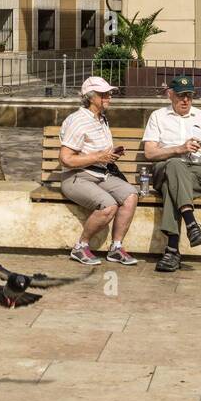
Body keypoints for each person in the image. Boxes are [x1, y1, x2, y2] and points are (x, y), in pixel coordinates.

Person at [143, 75, 201, 274]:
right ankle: (191, 223)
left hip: (196, 173)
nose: (185, 100)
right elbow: (150, 153)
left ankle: (172, 251)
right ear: (170, 95)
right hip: (164, 168)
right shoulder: (158, 116)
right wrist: (179, 149)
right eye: (180, 95)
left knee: (173, 188)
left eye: (189, 95)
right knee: (174, 164)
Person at [58, 76, 139, 266]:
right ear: (90, 97)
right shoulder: (77, 121)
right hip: (76, 177)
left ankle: (116, 248)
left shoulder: (100, 119)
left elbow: (95, 152)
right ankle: (80, 247)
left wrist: (110, 154)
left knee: (131, 195)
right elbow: (66, 159)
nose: (108, 97)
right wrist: (98, 157)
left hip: (100, 173)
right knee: (108, 205)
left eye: (109, 94)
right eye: (103, 94)